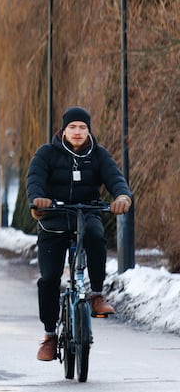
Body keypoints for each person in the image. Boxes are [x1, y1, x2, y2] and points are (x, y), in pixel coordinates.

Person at [26, 106, 133, 362]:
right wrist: (38, 201)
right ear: (63, 130)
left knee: (96, 236)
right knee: (50, 278)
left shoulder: (98, 155)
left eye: (82, 127)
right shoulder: (47, 154)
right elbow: (35, 180)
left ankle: (96, 294)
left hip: (86, 215)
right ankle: (50, 335)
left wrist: (121, 196)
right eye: (72, 127)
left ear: (88, 130)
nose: (77, 132)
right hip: (53, 218)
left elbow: (115, 178)